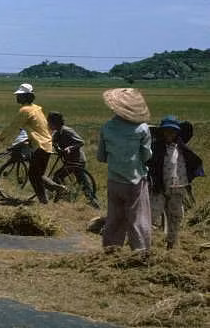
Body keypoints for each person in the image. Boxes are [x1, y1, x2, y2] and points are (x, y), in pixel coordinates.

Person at [97, 88, 152, 252]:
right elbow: (146, 155)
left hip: (114, 179)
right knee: (137, 218)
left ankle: (111, 250)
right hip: (134, 180)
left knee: (114, 218)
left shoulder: (107, 127)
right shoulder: (142, 128)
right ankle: (140, 252)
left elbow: (101, 156)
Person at [0, 83, 58, 204]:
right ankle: (47, 197)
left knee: (34, 175)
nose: (17, 97)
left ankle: (44, 201)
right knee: (37, 175)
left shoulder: (25, 110)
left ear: (26, 97)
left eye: (20, 95)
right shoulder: (36, 108)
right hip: (45, 144)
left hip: (39, 146)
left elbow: (12, 127)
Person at [147, 115, 203, 249]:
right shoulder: (155, 149)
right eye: (166, 131)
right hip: (159, 188)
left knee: (175, 216)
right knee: (152, 214)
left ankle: (170, 244)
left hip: (177, 187)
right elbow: (149, 164)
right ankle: (146, 244)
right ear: (162, 132)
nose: (169, 134)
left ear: (177, 132)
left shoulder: (181, 148)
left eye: (173, 131)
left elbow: (188, 128)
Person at [47, 111, 99, 208]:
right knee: (63, 177)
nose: (48, 124)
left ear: (56, 123)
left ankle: (91, 201)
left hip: (77, 161)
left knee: (77, 181)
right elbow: (53, 142)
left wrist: (69, 148)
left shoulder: (67, 131)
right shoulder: (57, 133)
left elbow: (81, 142)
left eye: (50, 122)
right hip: (70, 161)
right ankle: (65, 195)